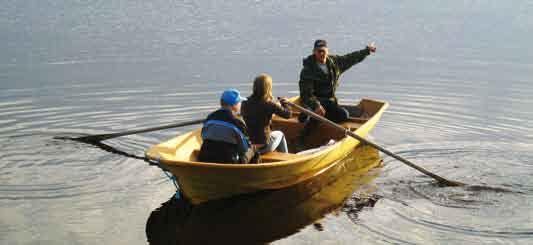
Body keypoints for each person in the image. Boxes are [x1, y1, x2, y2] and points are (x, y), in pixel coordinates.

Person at [298, 39, 377, 145]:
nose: (321, 53)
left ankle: (309, 116)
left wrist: (366, 51)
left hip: (329, 103)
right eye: (318, 51)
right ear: (314, 52)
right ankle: (302, 137)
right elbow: (306, 94)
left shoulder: (334, 62)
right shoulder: (308, 70)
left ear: (327, 51)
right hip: (313, 102)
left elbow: (350, 58)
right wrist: (315, 105)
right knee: (322, 109)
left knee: (344, 115)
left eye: (323, 50)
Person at [197, 89, 258, 164]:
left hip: (204, 158)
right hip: (229, 162)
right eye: (239, 102)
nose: (240, 104)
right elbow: (244, 149)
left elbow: (203, 137)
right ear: (233, 105)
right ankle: (253, 173)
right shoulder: (238, 122)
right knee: (253, 149)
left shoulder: (209, 118)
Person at [241, 74, 292, 154]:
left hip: (249, 146)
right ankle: (286, 158)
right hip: (264, 146)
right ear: (268, 88)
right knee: (280, 134)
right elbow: (288, 114)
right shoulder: (270, 104)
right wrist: (286, 103)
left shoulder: (245, 103)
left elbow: (256, 112)